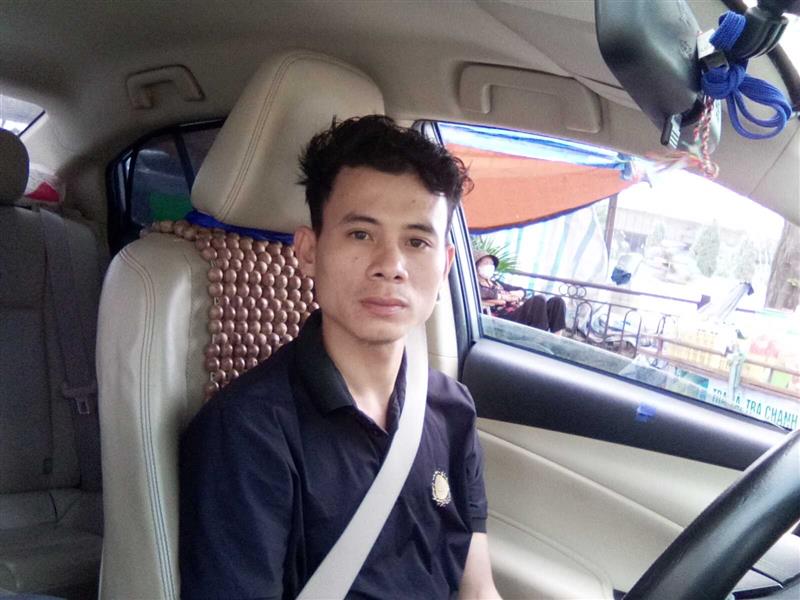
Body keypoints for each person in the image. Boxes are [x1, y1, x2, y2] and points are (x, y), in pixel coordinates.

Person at [179, 115, 501, 599]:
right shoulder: (247, 432)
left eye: (417, 241)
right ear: (308, 251)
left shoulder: (450, 408)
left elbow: (478, 591)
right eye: (361, 234)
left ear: (445, 266)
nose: (390, 266)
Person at [475, 250, 566, 335]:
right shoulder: (474, 284)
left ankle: (556, 339)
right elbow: (483, 293)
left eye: (491, 264)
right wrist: (503, 297)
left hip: (516, 312)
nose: (490, 266)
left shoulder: (497, 283)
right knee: (539, 300)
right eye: (486, 263)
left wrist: (520, 293)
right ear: (476, 266)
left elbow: (521, 290)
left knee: (557, 301)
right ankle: (540, 338)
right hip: (502, 320)